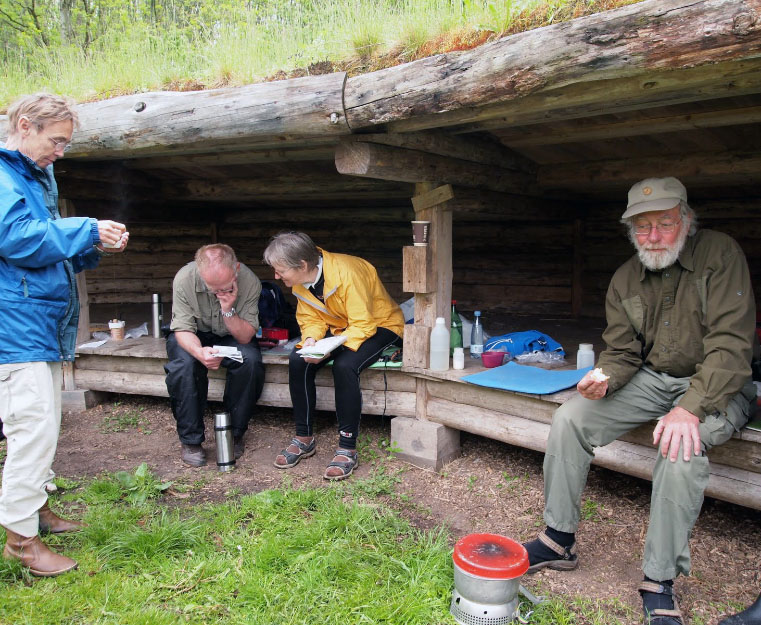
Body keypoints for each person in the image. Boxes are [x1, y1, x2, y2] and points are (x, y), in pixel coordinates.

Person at [523, 177, 757, 625]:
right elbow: (624, 350)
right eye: (643, 227)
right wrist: (605, 378)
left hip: (717, 382)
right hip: (653, 378)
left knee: (680, 445)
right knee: (572, 416)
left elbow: (731, 345)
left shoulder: (720, 255)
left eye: (665, 224)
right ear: (631, 231)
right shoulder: (626, 276)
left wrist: (689, 409)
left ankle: (658, 579)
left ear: (686, 221)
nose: (653, 237)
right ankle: (558, 539)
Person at [0, 93, 128, 576]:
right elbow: (15, 238)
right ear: (26, 126)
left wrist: (94, 244)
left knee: (43, 426)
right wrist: (88, 227)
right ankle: (21, 544)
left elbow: (45, 248)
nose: (61, 151)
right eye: (56, 141)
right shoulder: (2, 176)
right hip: (14, 326)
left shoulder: (33, 177)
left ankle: (36, 512)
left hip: (40, 323)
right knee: (32, 429)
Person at [263, 232, 404, 480]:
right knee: (298, 359)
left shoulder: (347, 272)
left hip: (381, 325)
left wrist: (327, 349)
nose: (276, 276)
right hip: (341, 328)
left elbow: (363, 325)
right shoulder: (299, 281)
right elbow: (311, 318)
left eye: (280, 270)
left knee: (344, 364)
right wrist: (311, 340)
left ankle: (347, 448)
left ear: (302, 265)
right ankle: (303, 437)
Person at [165, 243, 265, 467]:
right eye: (213, 288)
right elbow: (182, 328)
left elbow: (245, 337)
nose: (220, 292)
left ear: (236, 269)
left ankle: (234, 433)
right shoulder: (184, 278)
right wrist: (199, 352)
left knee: (250, 361)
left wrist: (228, 308)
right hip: (194, 333)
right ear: (201, 274)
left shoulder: (249, 280)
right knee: (184, 366)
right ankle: (190, 440)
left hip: (232, 332)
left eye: (225, 287)